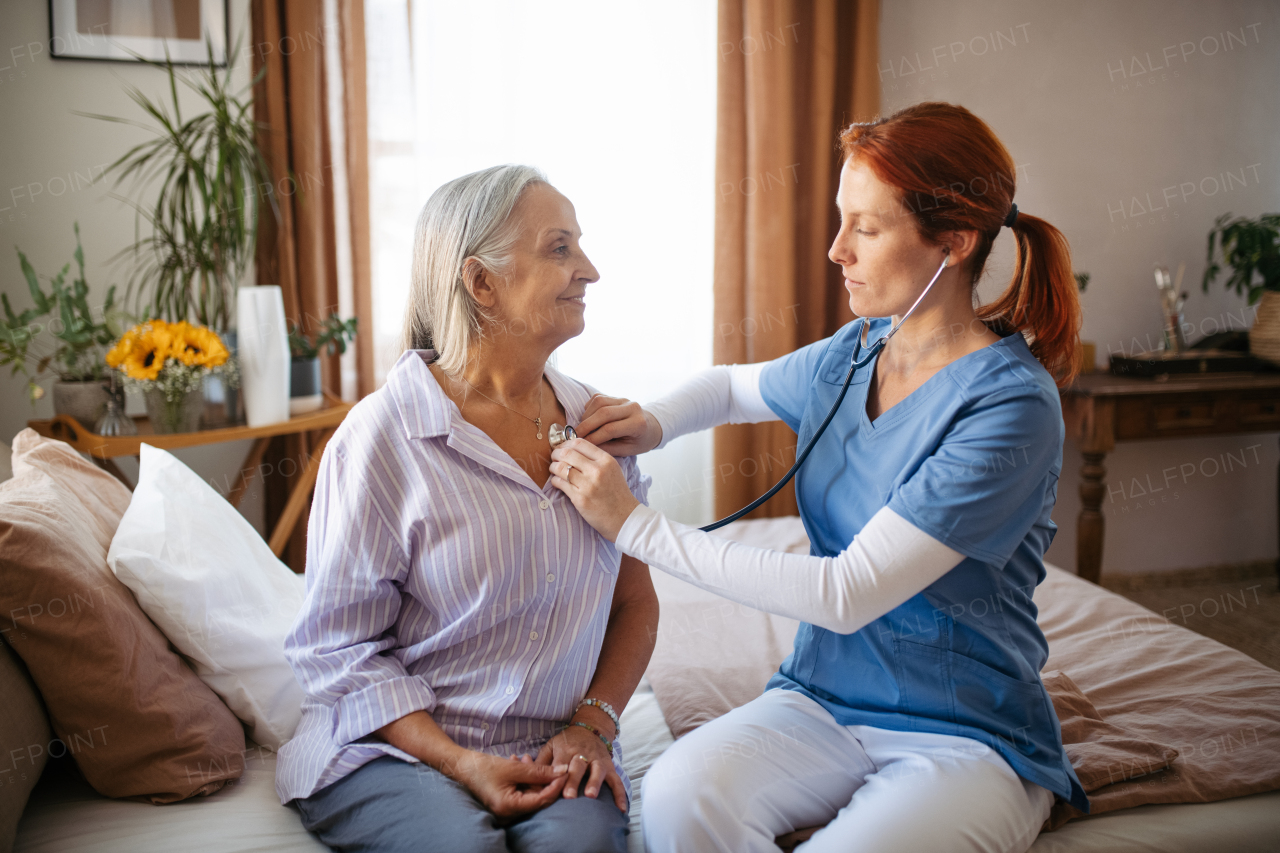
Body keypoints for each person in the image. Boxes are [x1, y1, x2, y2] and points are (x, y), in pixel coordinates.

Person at [547, 102, 1089, 853]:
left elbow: (845, 593)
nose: (837, 250)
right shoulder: (858, 350)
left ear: (955, 243)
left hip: (964, 731)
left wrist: (632, 525)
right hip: (822, 701)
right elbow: (734, 386)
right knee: (676, 795)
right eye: (842, 221)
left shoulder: (1010, 407)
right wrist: (653, 421)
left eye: (866, 228)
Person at [275, 165, 658, 853]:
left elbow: (634, 602)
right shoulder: (381, 440)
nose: (591, 270)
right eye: (560, 248)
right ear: (482, 283)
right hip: (393, 749)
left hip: (552, 744)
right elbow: (337, 651)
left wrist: (594, 723)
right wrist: (462, 762)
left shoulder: (600, 428)